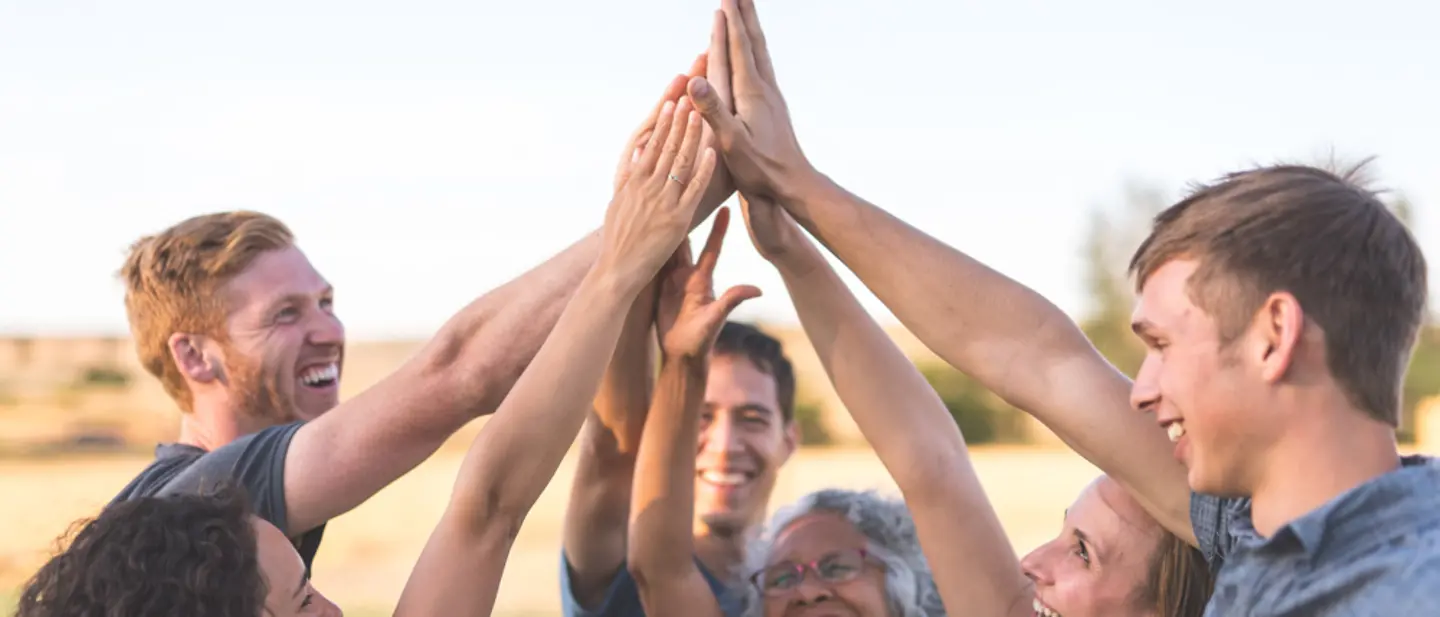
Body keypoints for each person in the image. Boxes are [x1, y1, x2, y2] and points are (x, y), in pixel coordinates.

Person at [686, 0, 1440, 613]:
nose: (1141, 389)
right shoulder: (1261, 536)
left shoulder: (1405, 590)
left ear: (1274, 335)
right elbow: (1035, 355)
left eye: (1162, 345)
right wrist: (797, 187)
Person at [19, 94, 745, 617]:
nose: (329, 331)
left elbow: (488, 504)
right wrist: (663, 205)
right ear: (194, 357)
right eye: (285, 314)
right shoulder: (196, 515)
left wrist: (636, 247)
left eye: (326, 302)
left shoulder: (185, 546)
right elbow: (457, 378)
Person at [558, 14, 799, 617]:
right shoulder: (619, 574)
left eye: (752, 417)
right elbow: (614, 450)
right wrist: (646, 231)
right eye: (702, 414)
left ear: (790, 439)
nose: (725, 444)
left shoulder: (811, 586)